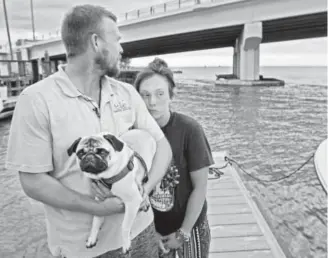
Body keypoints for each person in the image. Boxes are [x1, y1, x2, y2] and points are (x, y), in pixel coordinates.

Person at [5, 5, 172, 258]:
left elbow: (162, 147)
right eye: (117, 40)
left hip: (141, 231)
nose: (122, 49)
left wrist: (140, 191)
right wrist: (101, 208)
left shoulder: (127, 93)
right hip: (82, 249)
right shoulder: (36, 100)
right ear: (96, 42)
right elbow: (33, 182)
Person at [134, 58, 214, 258]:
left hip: (190, 227)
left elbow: (200, 187)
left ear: (171, 94)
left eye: (160, 94)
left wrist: (183, 233)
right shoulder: (134, 135)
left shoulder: (190, 130)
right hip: (151, 231)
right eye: (145, 95)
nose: (152, 102)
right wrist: (151, 232)